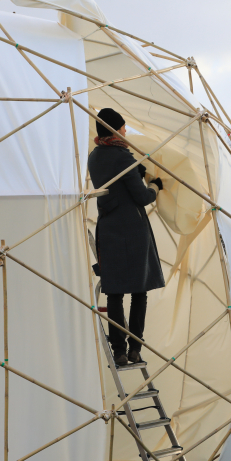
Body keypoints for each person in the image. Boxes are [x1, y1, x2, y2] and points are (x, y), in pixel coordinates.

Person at [88, 108, 165, 366]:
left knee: (115, 293)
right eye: (122, 127)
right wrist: (154, 186)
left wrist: (136, 174)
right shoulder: (123, 157)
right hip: (132, 232)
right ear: (115, 129)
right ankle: (135, 348)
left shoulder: (94, 157)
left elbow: (114, 185)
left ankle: (119, 351)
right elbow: (142, 197)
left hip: (108, 230)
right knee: (139, 292)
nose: (124, 131)